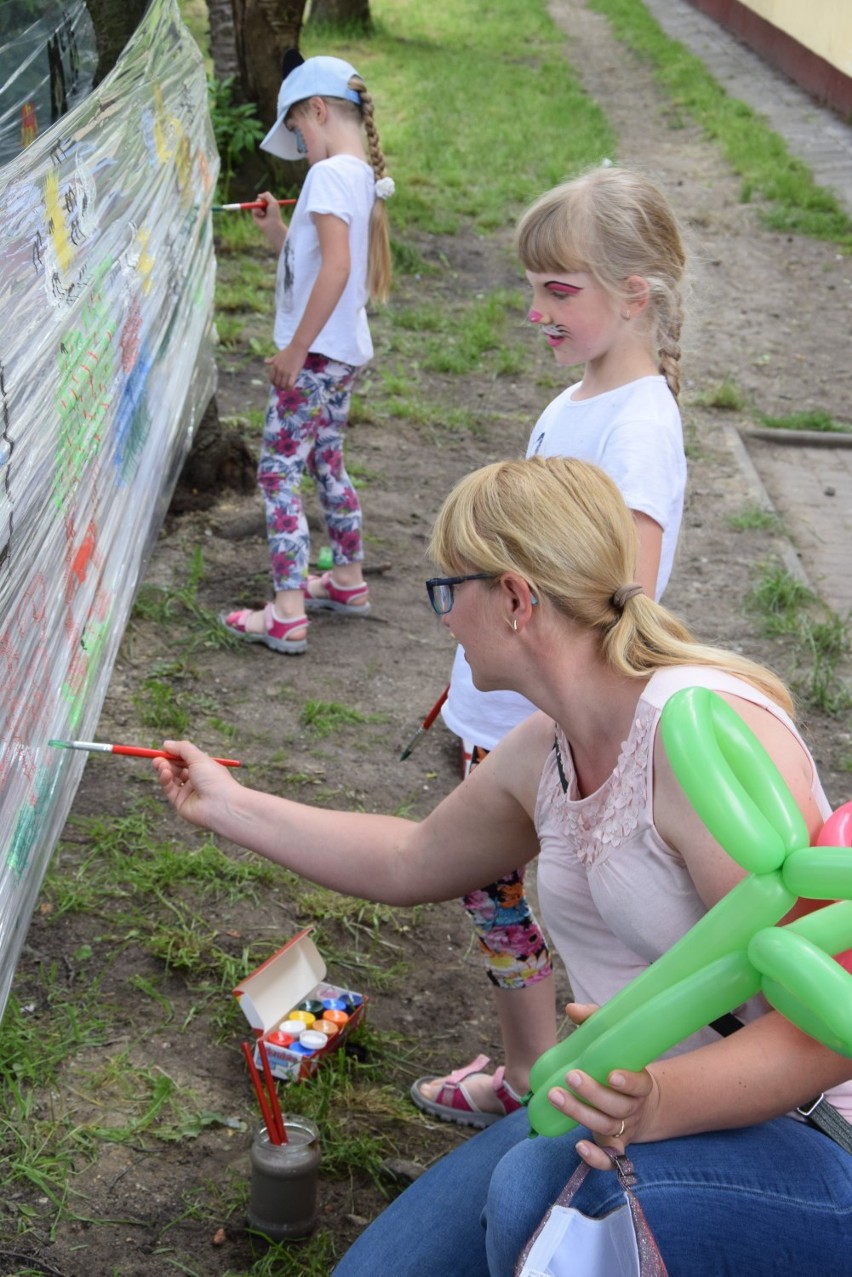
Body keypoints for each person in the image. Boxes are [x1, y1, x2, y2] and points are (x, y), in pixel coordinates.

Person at [154, 456, 852, 1276]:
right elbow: (411, 857)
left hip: (805, 1134)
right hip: (614, 1100)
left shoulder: (699, 742)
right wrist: (226, 804)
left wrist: (659, 1100)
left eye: (447, 591)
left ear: (517, 598)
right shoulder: (543, 749)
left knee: (534, 1198)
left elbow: (826, 1029)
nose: (442, 619)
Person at [415, 164, 688, 1126]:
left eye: (558, 290)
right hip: (504, 707)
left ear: (635, 293)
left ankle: (533, 1068)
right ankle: (534, 1057)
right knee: (489, 890)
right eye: (532, 286)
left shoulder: (641, 427)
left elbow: (625, 597)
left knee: (496, 890)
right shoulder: (580, 397)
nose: (535, 310)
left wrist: (541, 719)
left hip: (538, 724)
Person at [222, 53, 393, 655]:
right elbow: (322, 267)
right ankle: (346, 580)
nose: (301, 143)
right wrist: (278, 235)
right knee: (326, 462)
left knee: (277, 474)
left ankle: (287, 611)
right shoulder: (359, 174)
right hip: (341, 353)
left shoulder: (326, 178)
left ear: (317, 110)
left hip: (314, 356)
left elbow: (339, 267)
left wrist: (296, 347)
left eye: (298, 130)